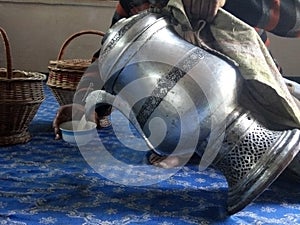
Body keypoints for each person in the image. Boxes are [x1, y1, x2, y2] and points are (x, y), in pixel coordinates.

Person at [53, 0, 300, 167]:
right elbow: (111, 55)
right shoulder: (138, 2)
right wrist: (85, 104)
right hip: (179, 124)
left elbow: (294, 20)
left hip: (256, 105)